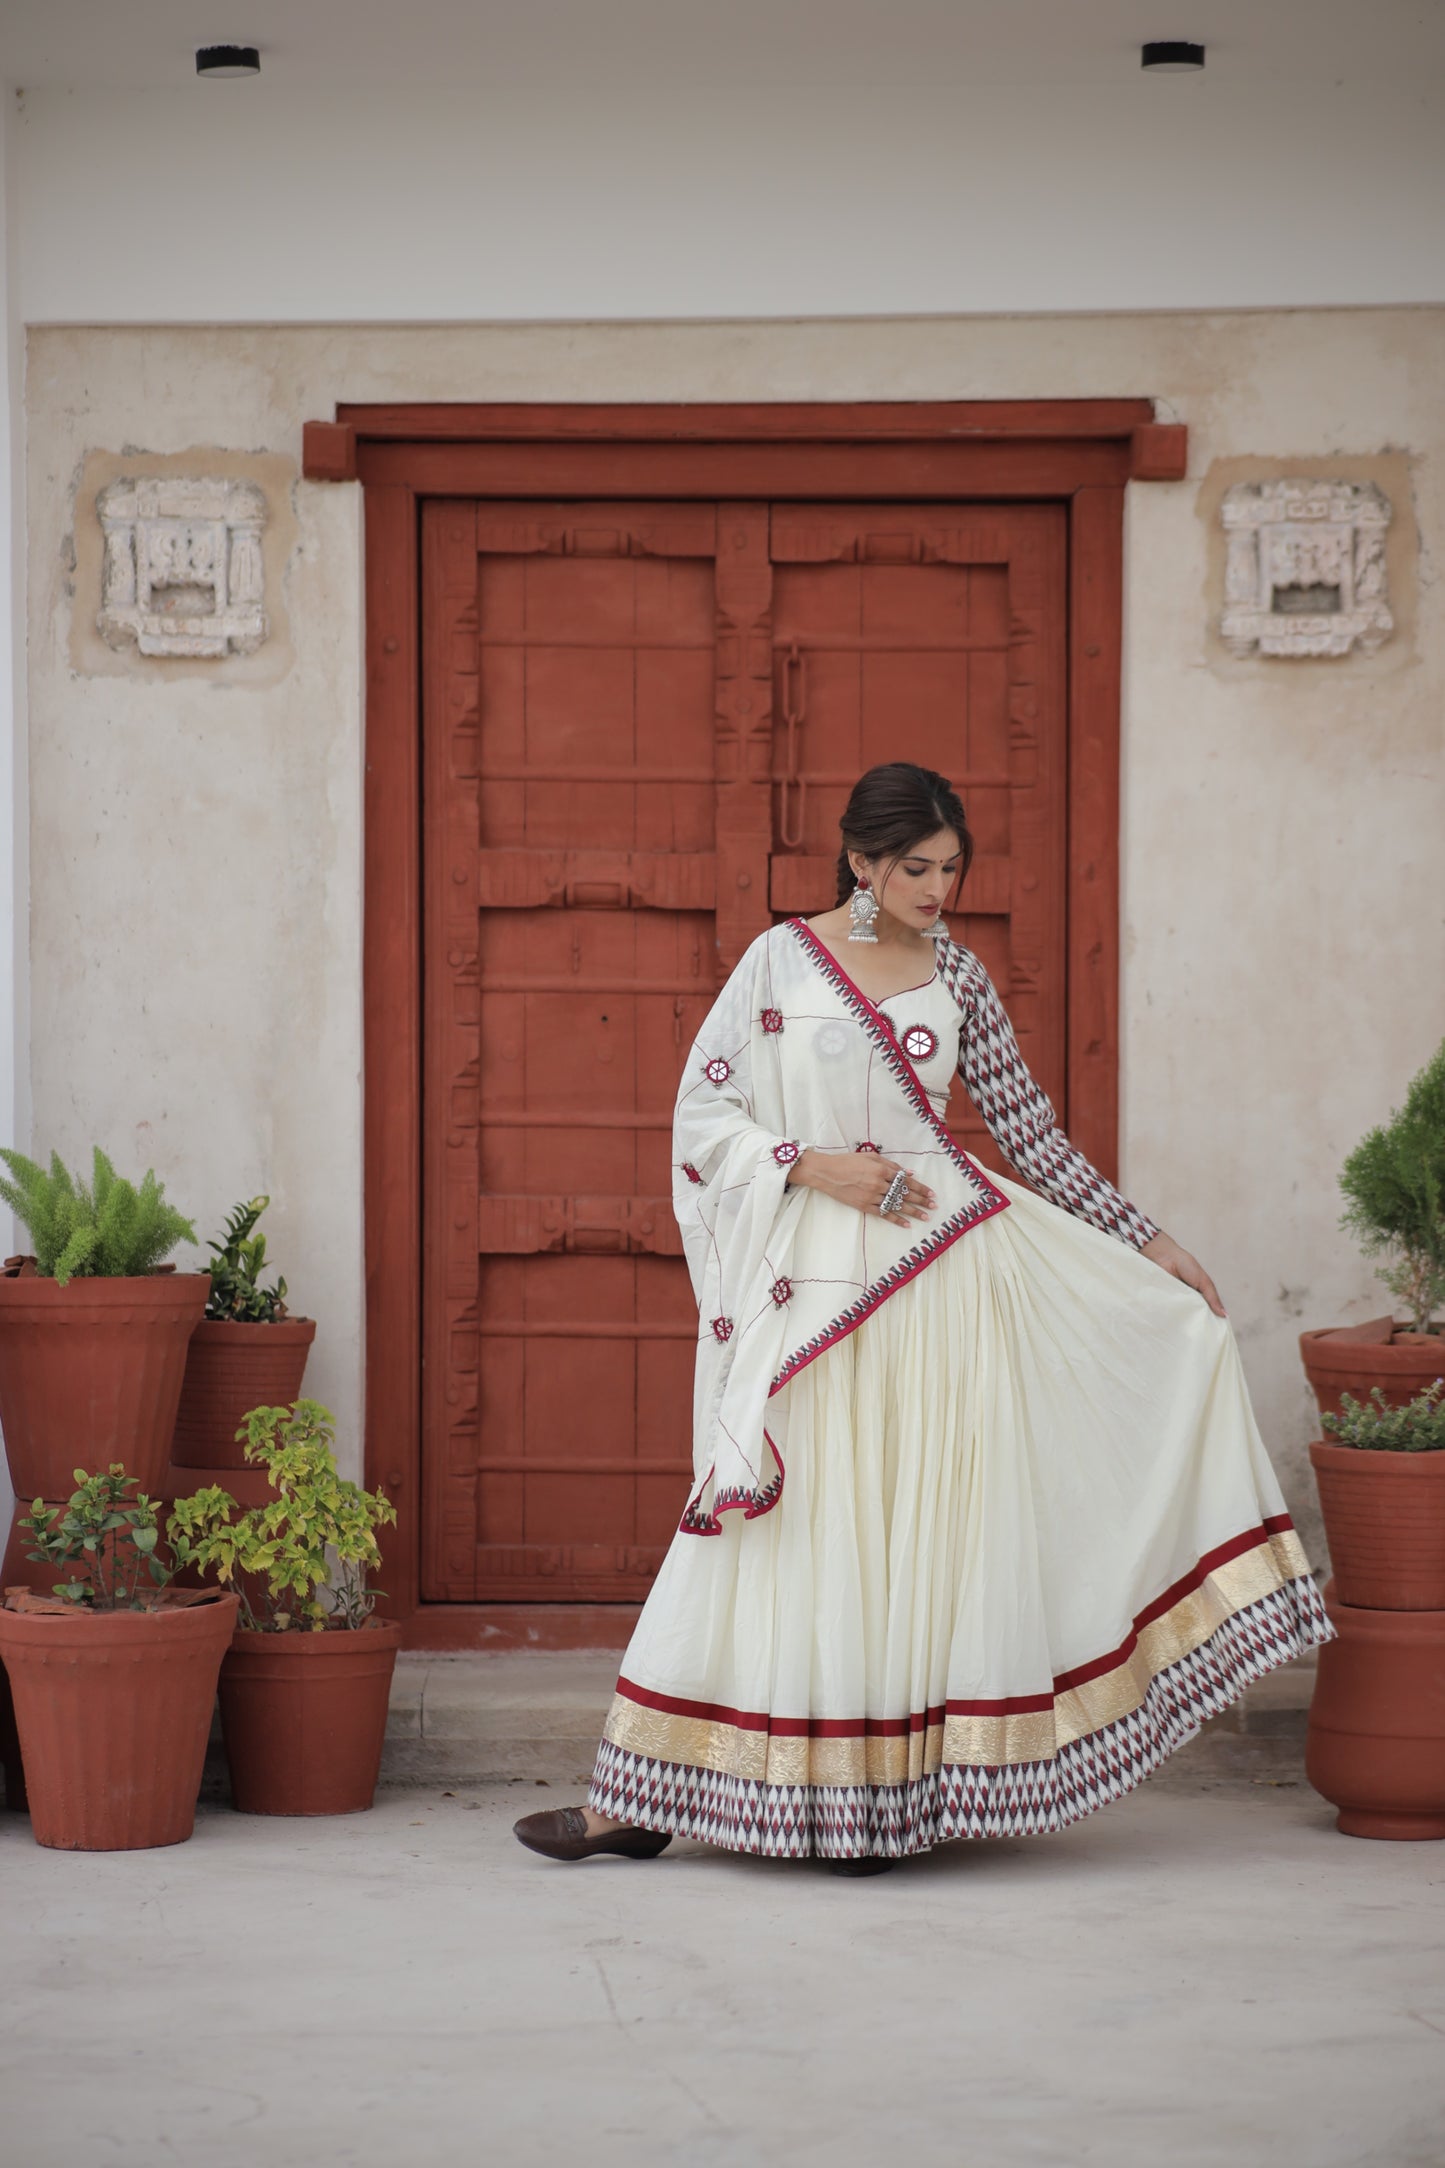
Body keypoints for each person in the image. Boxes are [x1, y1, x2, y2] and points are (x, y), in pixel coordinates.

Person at [514, 762, 1333, 1875]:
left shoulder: (958, 973)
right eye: (915, 866)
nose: (937, 887)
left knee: (905, 1532)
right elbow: (704, 1112)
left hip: (941, 1281)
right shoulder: (779, 962)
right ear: (859, 860)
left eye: (950, 868)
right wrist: (816, 1167)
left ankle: (869, 1803)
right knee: (774, 1521)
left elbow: (1029, 1136)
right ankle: (643, 1791)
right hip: (815, 1290)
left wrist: (1152, 1243)